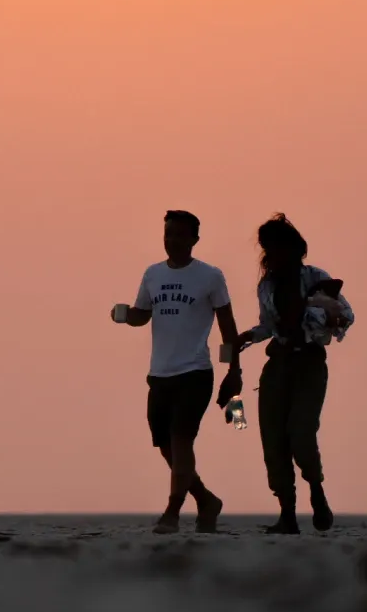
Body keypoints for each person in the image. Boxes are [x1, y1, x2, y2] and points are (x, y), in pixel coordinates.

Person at [110, 210, 244, 533]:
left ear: (194, 240)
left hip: (195, 373)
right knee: (165, 445)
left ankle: (172, 512)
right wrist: (124, 315)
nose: (172, 240)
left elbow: (228, 326)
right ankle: (206, 500)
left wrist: (233, 370)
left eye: (180, 235)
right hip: (159, 374)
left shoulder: (210, 277)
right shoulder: (152, 274)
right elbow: (143, 314)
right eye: (168, 234)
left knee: (182, 442)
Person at [230, 213, 352, 534]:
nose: (273, 253)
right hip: (278, 364)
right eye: (268, 247)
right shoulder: (267, 285)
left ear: (295, 248)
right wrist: (249, 337)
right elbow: (268, 325)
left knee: (301, 433)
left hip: (309, 364)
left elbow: (345, 314)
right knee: (273, 439)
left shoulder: (316, 277)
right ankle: (287, 513)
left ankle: (317, 491)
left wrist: (326, 317)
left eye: (278, 246)